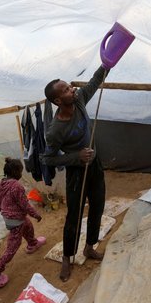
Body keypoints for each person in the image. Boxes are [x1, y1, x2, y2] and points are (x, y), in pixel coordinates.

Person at [42, 65, 109, 281]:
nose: (72, 89)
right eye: (66, 89)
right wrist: (76, 157)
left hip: (95, 165)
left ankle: (90, 247)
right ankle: (67, 257)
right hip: (76, 173)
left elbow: (94, 81)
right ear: (58, 101)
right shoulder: (55, 131)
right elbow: (47, 158)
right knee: (74, 216)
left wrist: (106, 64)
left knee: (97, 207)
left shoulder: (79, 100)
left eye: (69, 86)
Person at [0, 157, 46, 288]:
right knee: (12, 248)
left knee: (27, 225)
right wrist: (36, 214)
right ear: (16, 171)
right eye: (20, 171)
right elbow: (24, 205)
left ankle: (32, 243)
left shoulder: (1, 184)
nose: (21, 174)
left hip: (12, 218)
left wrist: (5, 210)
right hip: (16, 220)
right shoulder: (17, 186)